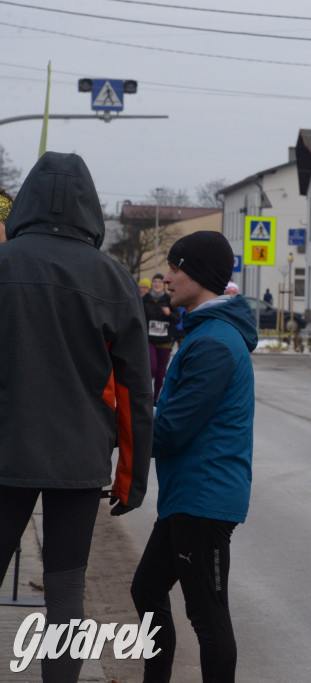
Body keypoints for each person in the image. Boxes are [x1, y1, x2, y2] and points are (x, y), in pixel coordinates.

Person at [0, 152, 153, 682]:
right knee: (66, 589)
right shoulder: (113, 279)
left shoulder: (3, 262)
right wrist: (131, 479)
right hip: (79, 458)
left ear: (26, 202)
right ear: (91, 208)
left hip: (4, 451)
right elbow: (136, 391)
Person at [130, 230, 258, 683]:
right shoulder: (206, 334)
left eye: (176, 267)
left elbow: (171, 428)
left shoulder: (213, 344)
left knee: (208, 618)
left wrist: (117, 426)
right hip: (189, 496)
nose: (167, 276)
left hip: (204, 500)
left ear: (198, 275)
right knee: (146, 589)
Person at [143, 272, 180, 405]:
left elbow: (177, 319)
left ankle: (155, 398)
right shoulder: (145, 299)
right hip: (150, 339)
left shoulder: (168, 299)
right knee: (152, 367)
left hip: (165, 341)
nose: (157, 284)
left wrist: (169, 314)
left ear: (163, 285)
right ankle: (147, 392)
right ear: (152, 284)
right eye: (155, 282)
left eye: (159, 282)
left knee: (160, 373)